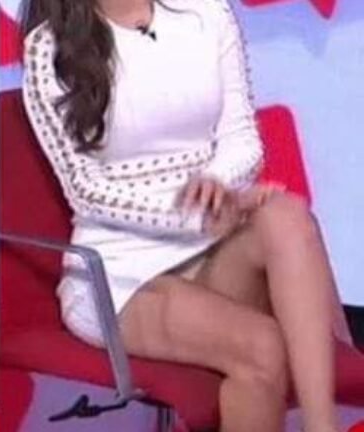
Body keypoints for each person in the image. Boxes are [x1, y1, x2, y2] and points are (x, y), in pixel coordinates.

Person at [22, 0, 355, 430]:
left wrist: (218, 183)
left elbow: (241, 137)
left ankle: (322, 425)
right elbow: (85, 190)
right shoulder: (49, 47)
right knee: (261, 348)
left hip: (211, 248)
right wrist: (197, 216)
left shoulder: (209, 13)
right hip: (120, 272)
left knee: (287, 216)